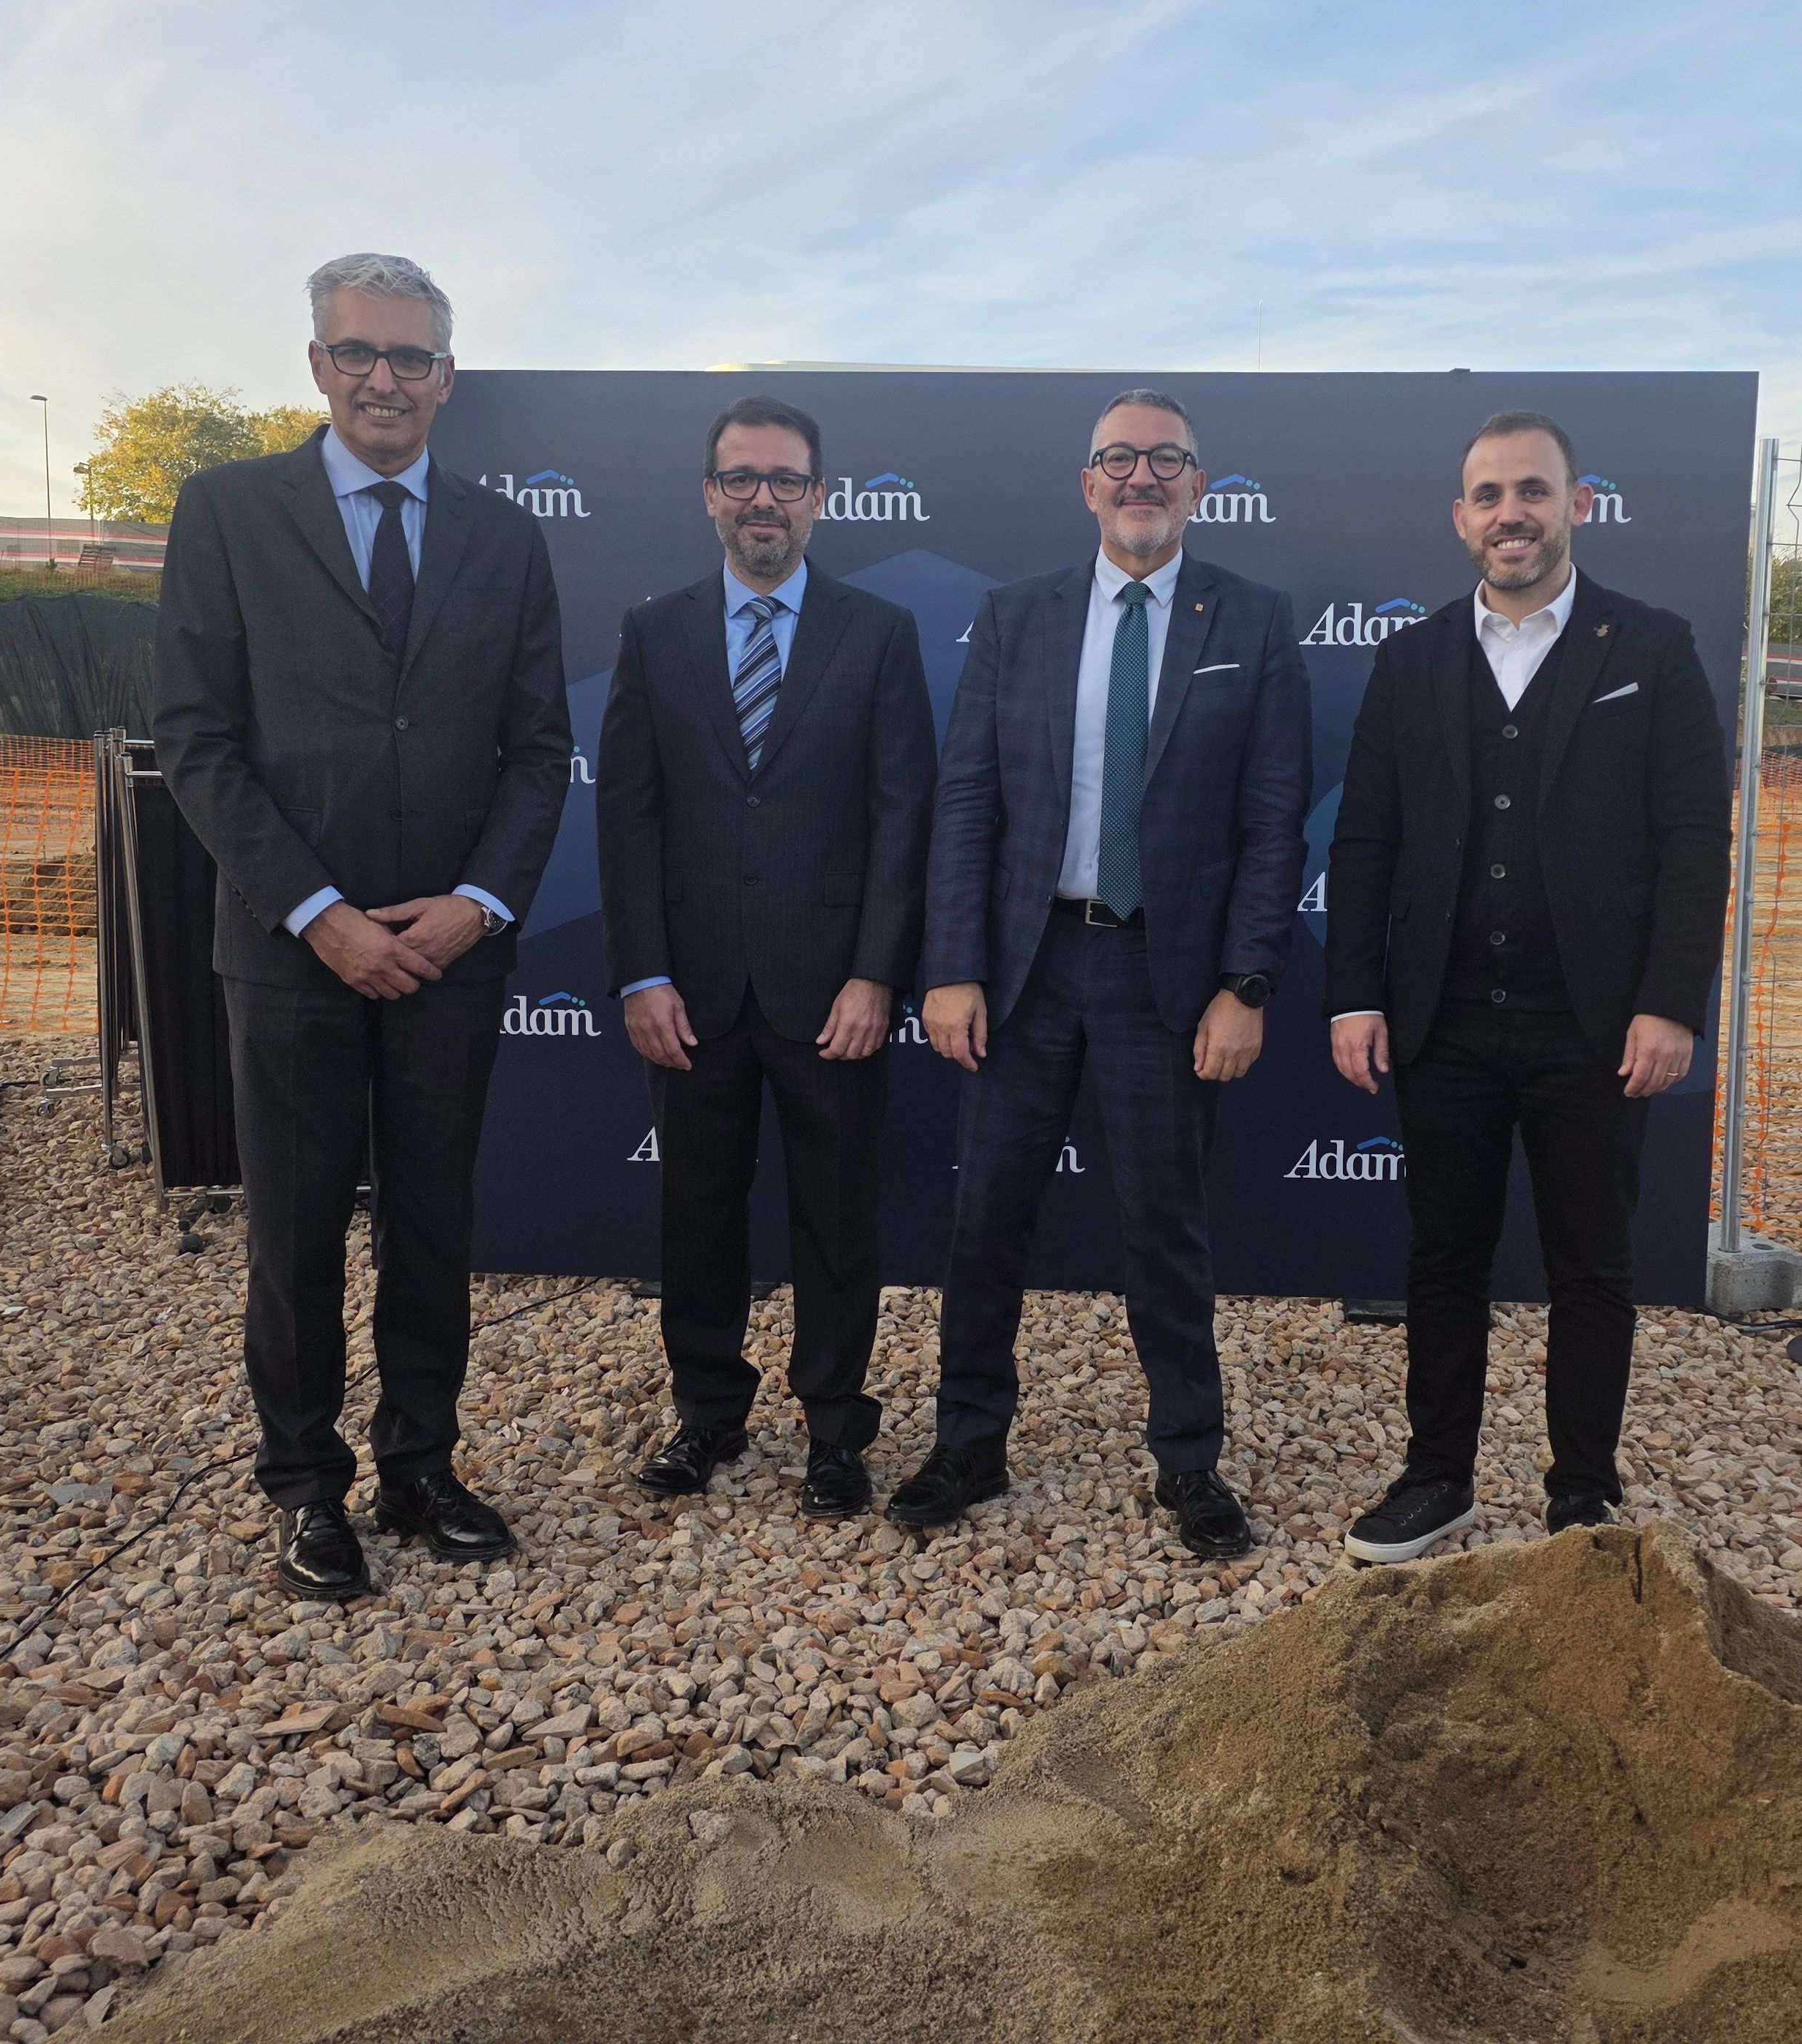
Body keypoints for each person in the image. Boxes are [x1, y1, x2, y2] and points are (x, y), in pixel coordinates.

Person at [153, 252, 570, 1602]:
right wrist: (322, 914)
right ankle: (303, 1486)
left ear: (448, 378)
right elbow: (199, 744)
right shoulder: (225, 510)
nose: (384, 379)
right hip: (290, 955)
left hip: (452, 954)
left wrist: (479, 905)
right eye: (359, 354)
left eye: (411, 358)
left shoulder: (506, 537)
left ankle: (421, 1462)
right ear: (318, 365)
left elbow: (535, 748)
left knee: (436, 1219)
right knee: (295, 1232)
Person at [899, 390, 1311, 1558]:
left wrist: (1248, 984)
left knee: (1166, 1230)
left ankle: (1189, 1461)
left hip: (1165, 975)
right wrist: (952, 967)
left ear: (1199, 485)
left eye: (1165, 461)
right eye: (1118, 460)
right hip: (1025, 970)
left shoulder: (1256, 620)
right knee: (985, 1220)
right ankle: (968, 1445)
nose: (1141, 478)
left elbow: (1276, 822)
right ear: (1088, 485)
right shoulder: (1016, 617)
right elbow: (967, 802)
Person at [1324, 409, 1729, 1563]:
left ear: (1577, 504)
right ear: (1461, 519)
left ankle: (1581, 1498)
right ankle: (1437, 1477)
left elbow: (1694, 838)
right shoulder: (1407, 665)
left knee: (1591, 1266)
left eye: (1534, 492)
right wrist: (1354, 992)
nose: (1513, 514)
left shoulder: (1649, 647)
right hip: (1442, 1023)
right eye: (1490, 495)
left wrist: (1671, 1001)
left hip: (1596, 1031)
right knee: (1442, 1259)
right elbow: (1363, 843)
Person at [595, 395, 937, 1517]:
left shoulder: (879, 634)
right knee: (698, 1209)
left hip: (832, 990)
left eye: (786, 480)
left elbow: (904, 816)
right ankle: (707, 1415)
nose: (763, 500)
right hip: (689, 994)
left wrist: (878, 973)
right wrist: (641, 972)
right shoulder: (654, 634)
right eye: (741, 478)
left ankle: (836, 1430)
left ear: (821, 500)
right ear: (708, 495)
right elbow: (629, 818)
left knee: (838, 1219)